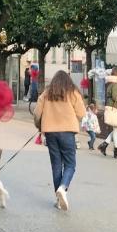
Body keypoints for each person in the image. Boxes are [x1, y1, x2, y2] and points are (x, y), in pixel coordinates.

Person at [33, 70, 86, 211]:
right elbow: (81, 113)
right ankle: (63, 188)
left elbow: (37, 113)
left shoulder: (47, 93)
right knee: (70, 164)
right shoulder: (73, 92)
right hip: (68, 132)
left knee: (56, 165)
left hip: (50, 133)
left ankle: (58, 199)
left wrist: (39, 126)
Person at [99, 66, 117, 160]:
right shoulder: (116, 85)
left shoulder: (112, 84)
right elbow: (116, 97)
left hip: (114, 109)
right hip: (116, 109)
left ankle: (104, 145)